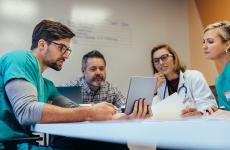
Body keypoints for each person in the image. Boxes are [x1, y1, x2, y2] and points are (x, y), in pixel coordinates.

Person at [0, 19, 151, 150]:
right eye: (62, 48)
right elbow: (26, 111)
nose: (66, 55)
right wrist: (92, 112)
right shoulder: (21, 58)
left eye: (68, 50)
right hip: (8, 145)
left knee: (113, 145)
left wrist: (121, 117)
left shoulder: (47, 85)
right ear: (42, 44)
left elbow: (74, 109)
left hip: (22, 144)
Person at [151, 44, 217, 117]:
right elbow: (154, 114)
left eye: (164, 57)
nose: (161, 63)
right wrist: (154, 90)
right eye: (156, 61)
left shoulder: (194, 77)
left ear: (174, 58)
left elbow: (210, 106)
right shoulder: (159, 85)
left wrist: (199, 113)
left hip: (195, 124)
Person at [203, 21, 230, 111]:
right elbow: (225, 111)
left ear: (227, 45)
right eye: (203, 42)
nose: (204, 46)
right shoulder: (220, 80)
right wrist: (205, 113)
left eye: (210, 42)